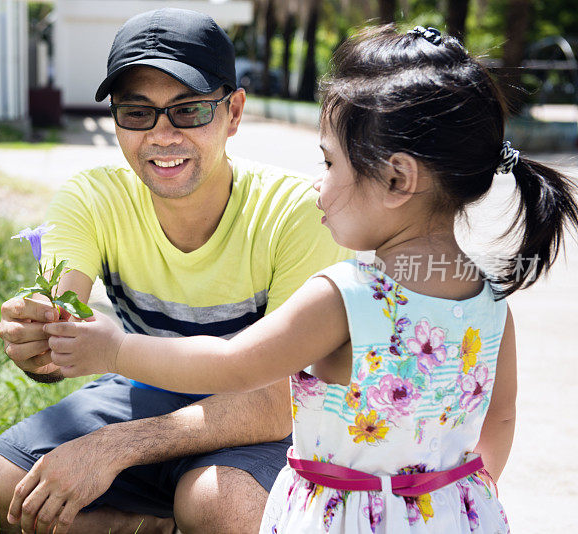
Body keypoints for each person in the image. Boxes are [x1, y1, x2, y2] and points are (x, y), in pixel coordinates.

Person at [43, 25, 578, 533]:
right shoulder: (490, 303)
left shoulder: (346, 296)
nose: (318, 189)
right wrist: (457, 503)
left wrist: (114, 351)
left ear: (397, 178)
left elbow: (232, 365)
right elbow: (500, 417)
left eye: (329, 164)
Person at [0, 8, 347, 534]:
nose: (162, 135)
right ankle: (148, 525)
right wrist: (39, 344)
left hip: (259, 416)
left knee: (218, 505)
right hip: (146, 392)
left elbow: (280, 402)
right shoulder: (92, 196)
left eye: (189, 110)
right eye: (137, 112)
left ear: (233, 113)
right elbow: (61, 316)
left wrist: (113, 447)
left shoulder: (296, 212)